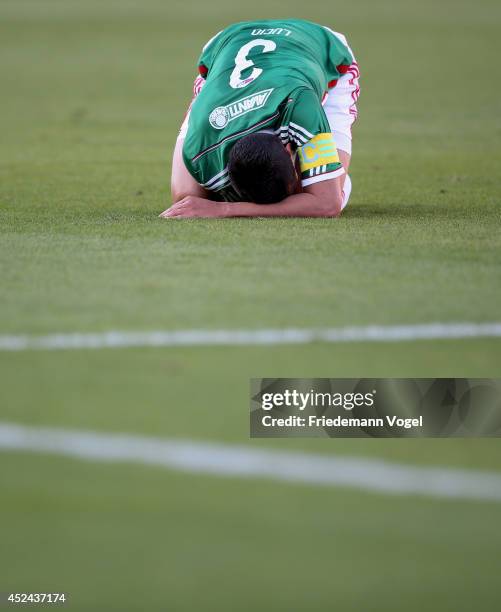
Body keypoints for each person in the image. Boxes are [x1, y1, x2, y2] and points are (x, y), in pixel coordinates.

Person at [160, 19, 360, 219]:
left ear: (288, 148)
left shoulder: (301, 105)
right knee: (189, 199)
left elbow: (327, 204)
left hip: (321, 49)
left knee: (318, 193)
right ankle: (317, 176)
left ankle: (330, 176)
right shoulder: (201, 144)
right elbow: (185, 201)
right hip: (228, 45)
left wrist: (224, 209)